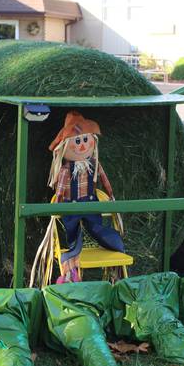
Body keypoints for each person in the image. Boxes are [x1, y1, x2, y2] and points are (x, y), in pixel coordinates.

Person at [46, 111, 124, 283]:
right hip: (71, 205)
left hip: (90, 202)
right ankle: (71, 268)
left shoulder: (94, 164)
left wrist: (111, 195)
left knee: (97, 227)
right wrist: (57, 204)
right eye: (77, 141)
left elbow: (104, 179)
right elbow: (60, 189)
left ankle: (116, 244)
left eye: (86, 140)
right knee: (72, 232)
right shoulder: (65, 170)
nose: (82, 146)